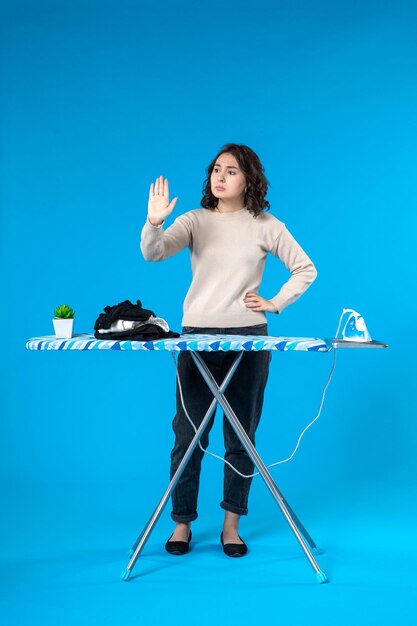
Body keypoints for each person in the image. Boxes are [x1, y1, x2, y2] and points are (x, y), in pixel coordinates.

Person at [140, 143, 317, 557]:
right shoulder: (194, 221)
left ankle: (231, 526)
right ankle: (182, 523)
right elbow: (154, 252)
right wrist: (153, 222)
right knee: (188, 435)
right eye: (216, 170)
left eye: (231, 171)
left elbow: (306, 268)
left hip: (250, 339)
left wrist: (275, 302)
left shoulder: (266, 224)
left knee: (242, 434)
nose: (220, 177)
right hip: (197, 337)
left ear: (249, 179)